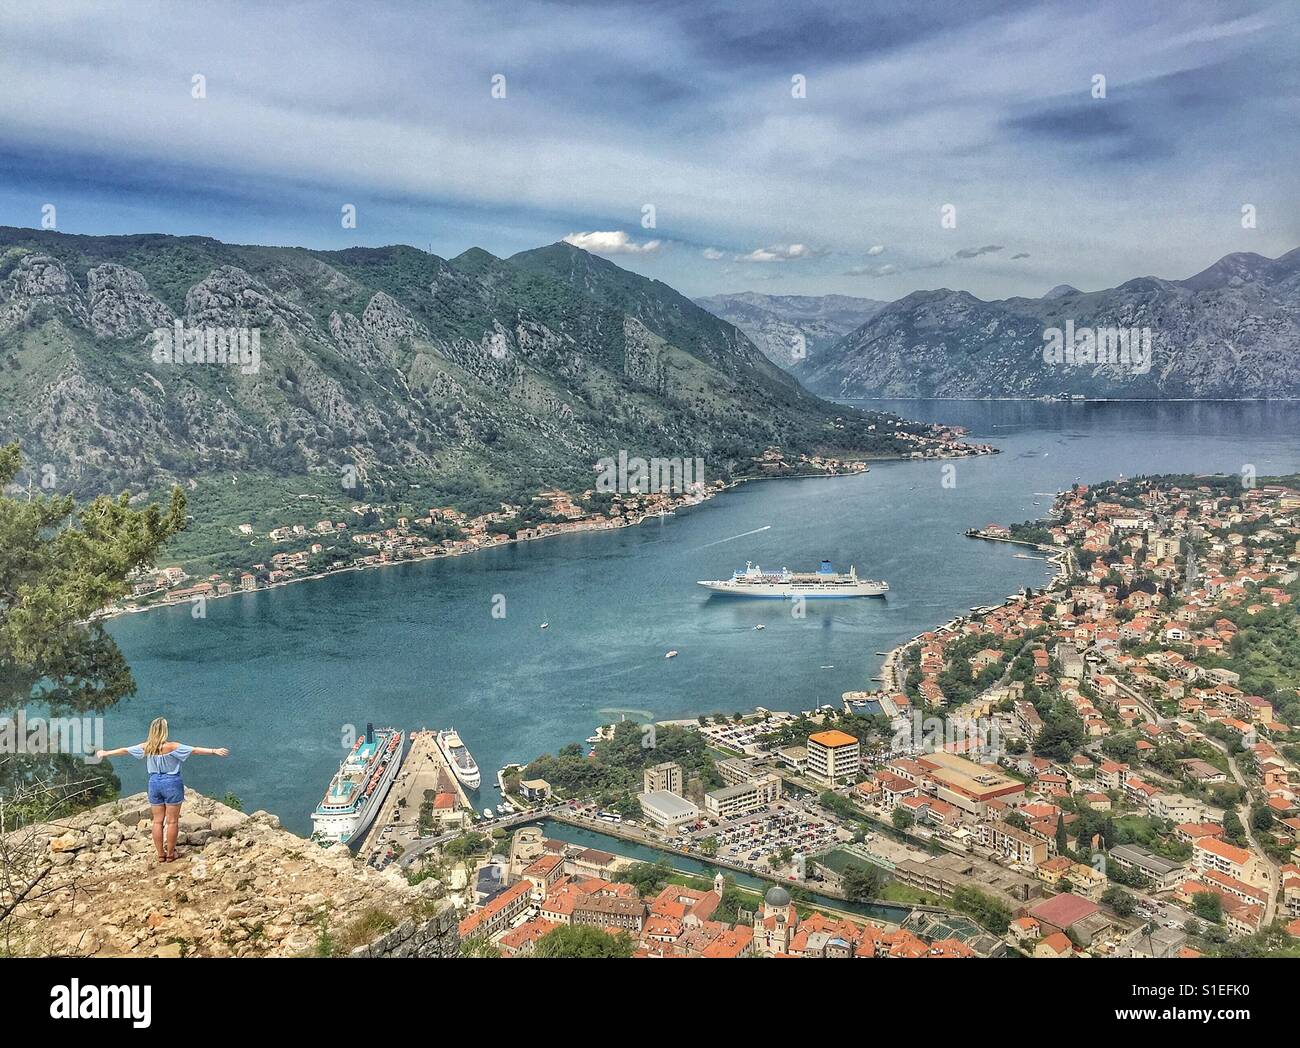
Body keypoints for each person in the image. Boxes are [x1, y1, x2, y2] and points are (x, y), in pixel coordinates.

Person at [96, 717, 230, 862]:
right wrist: (214, 750)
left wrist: (106, 753)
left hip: (154, 783)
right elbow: (195, 750)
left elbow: (124, 751)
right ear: (165, 731)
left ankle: (160, 854)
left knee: (157, 821)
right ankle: (171, 854)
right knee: (172, 821)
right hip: (172, 782)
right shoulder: (172, 747)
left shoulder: (147, 746)